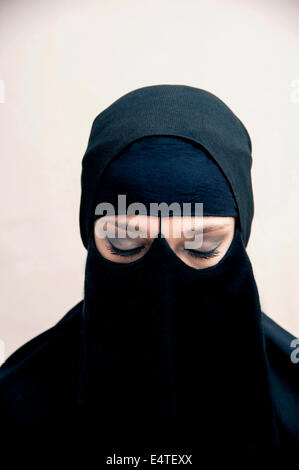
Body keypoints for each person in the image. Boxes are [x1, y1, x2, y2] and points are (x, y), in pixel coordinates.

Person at [1, 84, 299, 464]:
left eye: (202, 247)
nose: (163, 286)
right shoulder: (12, 409)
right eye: (126, 245)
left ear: (239, 239)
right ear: (90, 239)